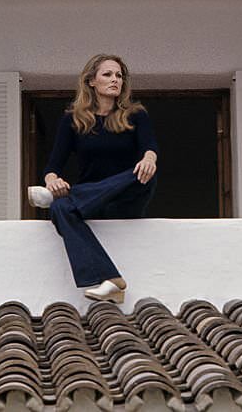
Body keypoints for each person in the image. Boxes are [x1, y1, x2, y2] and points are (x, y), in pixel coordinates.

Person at [27, 54, 158, 304]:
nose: (115, 80)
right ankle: (111, 280)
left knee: (140, 174)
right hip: (92, 202)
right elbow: (53, 165)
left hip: (128, 195)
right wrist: (52, 180)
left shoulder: (136, 115)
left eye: (119, 75)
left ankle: (69, 196)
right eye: (107, 74)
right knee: (59, 207)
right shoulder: (73, 119)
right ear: (91, 82)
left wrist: (150, 159)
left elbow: (149, 147)